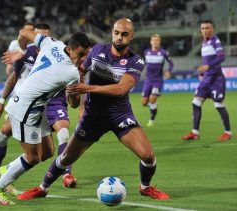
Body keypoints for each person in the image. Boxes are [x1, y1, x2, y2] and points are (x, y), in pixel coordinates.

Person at [17, 18, 169, 201]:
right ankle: (42, 188)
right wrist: (77, 97)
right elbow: (80, 71)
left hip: (119, 114)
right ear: (113, 33)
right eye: (117, 33)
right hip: (93, 116)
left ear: (131, 36)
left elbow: (121, 89)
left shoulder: (135, 61)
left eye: (124, 34)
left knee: (148, 155)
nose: (119, 37)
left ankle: (145, 187)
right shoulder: (97, 51)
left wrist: (89, 89)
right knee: (66, 158)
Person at [0, 30, 91, 205]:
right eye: (80, 54)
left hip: (37, 107)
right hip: (26, 108)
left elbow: (24, 33)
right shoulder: (71, 72)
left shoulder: (52, 43)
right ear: (71, 49)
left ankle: (6, 169)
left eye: (85, 55)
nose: (82, 58)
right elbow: (73, 104)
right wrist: (78, 83)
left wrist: (21, 48)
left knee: (48, 151)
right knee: (33, 157)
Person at [182, 20, 232, 141]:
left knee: (218, 104)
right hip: (206, 79)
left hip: (216, 79)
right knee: (196, 102)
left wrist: (208, 67)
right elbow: (207, 61)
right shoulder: (204, 43)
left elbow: (221, 57)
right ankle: (195, 133)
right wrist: (203, 72)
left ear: (212, 29)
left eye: (207, 28)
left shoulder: (215, 41)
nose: (205, 30)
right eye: (203, 28)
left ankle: (228, 132)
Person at [141, 34, 174, 126]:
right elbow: (142, 64)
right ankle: (153, 106)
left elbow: (171, 63)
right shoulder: (146, 52)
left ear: (160, 42)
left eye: (157, 40)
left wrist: (169, 71)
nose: (155, 42)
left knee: (152, 98)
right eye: (154, 40)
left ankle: (152, 120)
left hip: (157, 80)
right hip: (148, 80)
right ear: (151, 42)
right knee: (143, 103)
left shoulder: (163, 53)